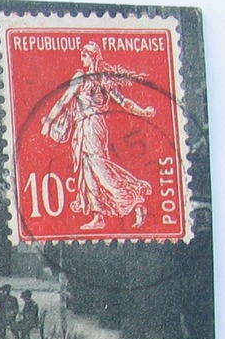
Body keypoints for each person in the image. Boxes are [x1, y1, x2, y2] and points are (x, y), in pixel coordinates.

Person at [40, 40, 156, 230]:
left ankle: (134, 200)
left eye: (84, 55)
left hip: (88, 126)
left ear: (91, 56)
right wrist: (143, 111)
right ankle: (99, 216)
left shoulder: (83, 78)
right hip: (97, 127)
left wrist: (49, 121)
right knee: (90, 169)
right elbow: (124, 101)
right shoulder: (104, 79)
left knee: (97, 168)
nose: (82, 58)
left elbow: (63, 100)